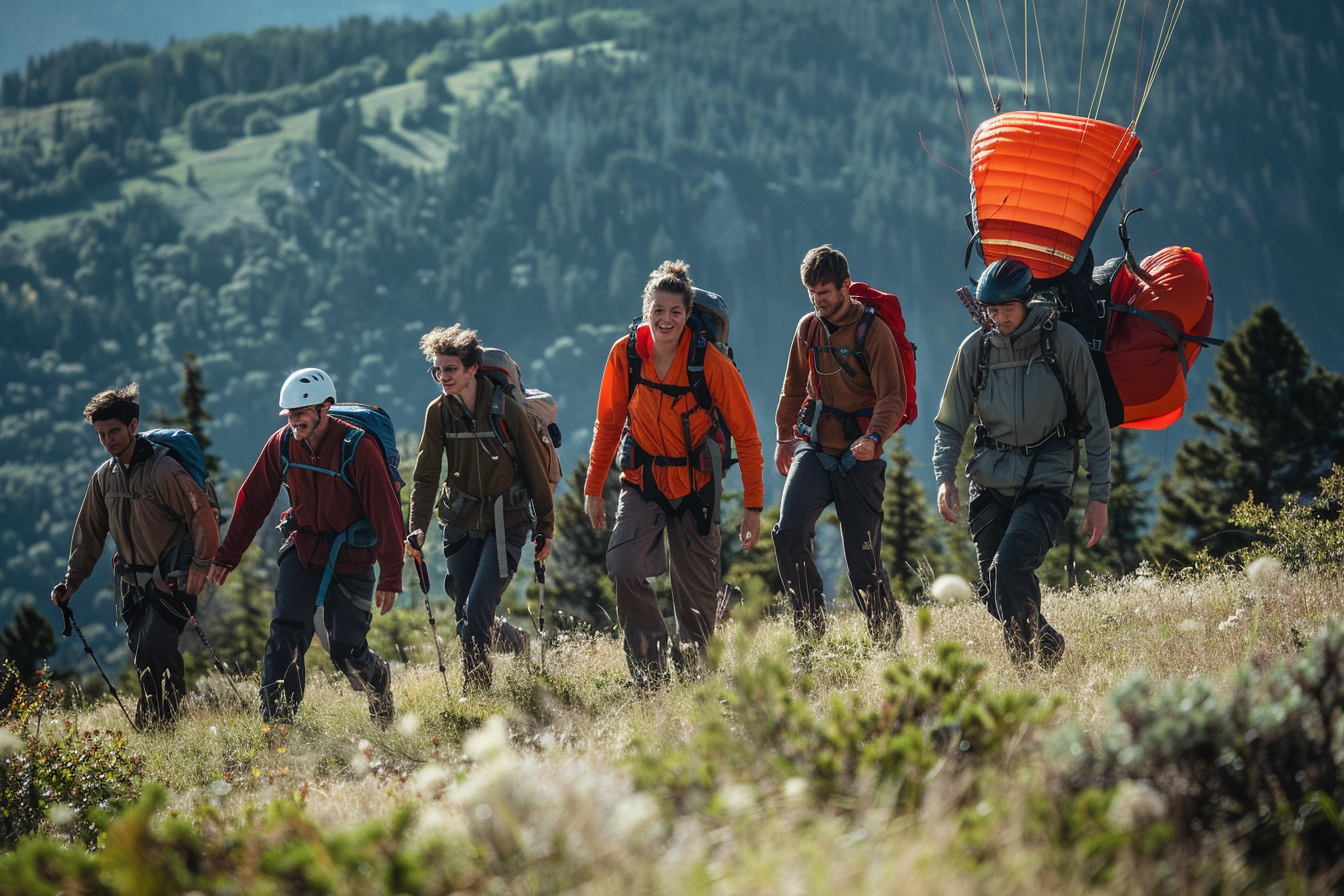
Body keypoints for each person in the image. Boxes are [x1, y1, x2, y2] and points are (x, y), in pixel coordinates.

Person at [585, 260, 765, 687]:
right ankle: (649, 670)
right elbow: (608, 423)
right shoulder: (625, 354)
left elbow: (747, 435)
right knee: (625, 565)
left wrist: (753, 506)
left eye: (676, 312)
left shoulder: (710, 363)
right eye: (658, 310)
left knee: (697, 598)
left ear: (687, 315)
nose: (666, 319)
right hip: (643, 481)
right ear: (646, 309)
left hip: (697, 487)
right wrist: (595, 488)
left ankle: (697, 679)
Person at [932, 257, 1111, 668]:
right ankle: (1046, 644)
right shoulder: (975, 350)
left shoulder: (1062, 343)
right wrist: (945, 478)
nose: (998, 319)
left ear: (1027, 302)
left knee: (1010, 572)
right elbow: (950, 423)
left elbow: (1096, 425)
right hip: (990, 481)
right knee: (993, 588)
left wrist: (1098, 496)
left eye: (1006, 310)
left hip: (1047, 479)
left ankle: (1028, 674)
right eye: (991, 311)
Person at [206, 368, 403, 724]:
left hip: (352, 555)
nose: (295, 421)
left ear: (325, 408)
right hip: (304, 549)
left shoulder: (358, 447)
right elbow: (252, 500)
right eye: (290, 415)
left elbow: (386, 513)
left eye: (302, 414)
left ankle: (379, 681)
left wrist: (391, 575)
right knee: (285, 634)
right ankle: (276, 724)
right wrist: (228, 554)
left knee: (346, 650)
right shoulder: (282, 444)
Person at [51, 384, 220, 728]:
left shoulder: (164, 470)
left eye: (114, 430)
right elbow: (89, 533)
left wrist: (201, 565)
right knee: (142, 654)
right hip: (131, 586)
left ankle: (162, 725)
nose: (108, 440)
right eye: (101, 434)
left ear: (132, 425)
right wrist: (72, 581)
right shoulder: (103, 478)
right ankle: (158, 724)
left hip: (173, 578)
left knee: (154, 646)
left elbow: (202, 515)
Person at [405, 325, 555, 691]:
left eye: (451, 369)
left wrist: (545, 527)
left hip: (509, 520)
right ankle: (514, 642)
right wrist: (417, 527)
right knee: (464, 612)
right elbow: (425, 475)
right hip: (459, 521)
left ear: (472, 368)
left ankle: (476, 696)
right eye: (437, 370)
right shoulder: (438, 412)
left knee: (475, 609)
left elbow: (536, 470)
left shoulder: (505, 410)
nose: (443, 377)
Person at [772, 244, 905, 644]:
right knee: (789, 534)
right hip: (815, 448)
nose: (818, 301)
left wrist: (875, 437)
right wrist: (783, 437)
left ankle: (886, 640)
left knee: (863, 564)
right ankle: (810, 631)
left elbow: (893, 397)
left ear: (846, 286)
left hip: (859, 456)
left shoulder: (874, 331)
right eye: (812, 294)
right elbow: (793, 387)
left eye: (825, 293)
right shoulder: (808, 328)